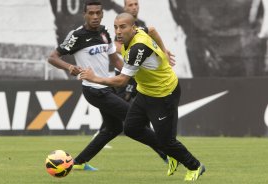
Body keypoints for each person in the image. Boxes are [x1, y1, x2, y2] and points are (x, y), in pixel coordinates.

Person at [79, 13, 205, 181]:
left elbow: (122, 80)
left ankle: (195, 166)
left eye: (122, 27)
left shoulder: (138, 48)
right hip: (146, 91)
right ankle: (172, 153)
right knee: (131, 128)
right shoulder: (139, 31)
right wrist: (163, 51)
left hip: (164, 93)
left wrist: (94, 78)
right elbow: (152, 30)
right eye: (116, 27)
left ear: (132, 27)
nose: (118, 31)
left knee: (166, 140)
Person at [48, 0, 168, 171]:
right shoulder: (77, 36)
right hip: (94, 90)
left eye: (98, 13)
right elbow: (52, 57)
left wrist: (132, 73)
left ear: (103, 14)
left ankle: (79, 162)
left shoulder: (104, 33)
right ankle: (167, 153)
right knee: (135, 119)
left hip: (108, 87)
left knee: (113, 128)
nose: (95, 16)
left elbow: (116, 61)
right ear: (85, 15)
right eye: (91, 13)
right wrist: (69, 67)